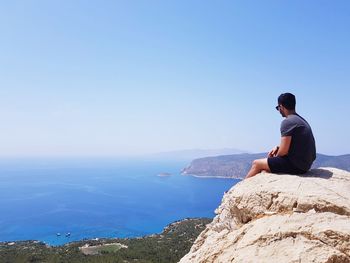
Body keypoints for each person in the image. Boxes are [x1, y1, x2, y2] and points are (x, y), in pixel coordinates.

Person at [245, 93, 316, 179]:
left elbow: (283, 152)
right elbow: (296, 145)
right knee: (265, 168)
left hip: (297, 166)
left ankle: (237, 191)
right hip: (305, 165)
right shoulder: (301, 120)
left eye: (277, 108)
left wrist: (273, 158)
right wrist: (278, 148)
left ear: (281, 106)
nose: (278, 110)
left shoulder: (288, 122)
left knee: (256, 164)